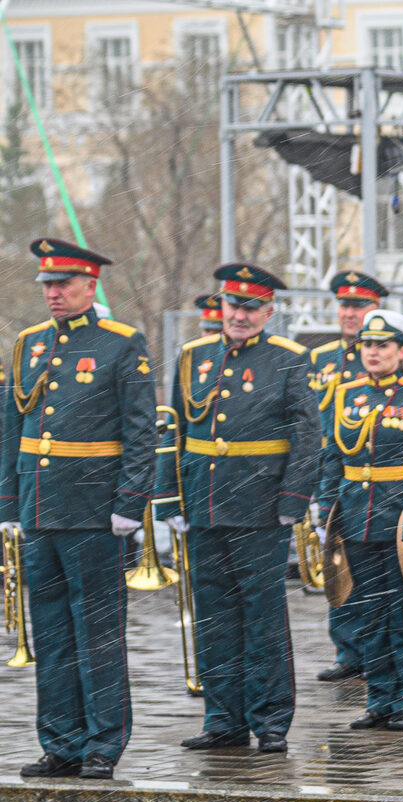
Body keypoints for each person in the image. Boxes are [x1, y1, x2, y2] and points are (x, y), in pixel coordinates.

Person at [4, 239, 155, 779]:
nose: (53, 294)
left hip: (95, 513)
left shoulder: (121, 344)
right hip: (39, 509)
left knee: (97, 634)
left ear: (90, 286)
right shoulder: (28, 345)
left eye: (63, 284)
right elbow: (12, 432)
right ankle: (61, 741)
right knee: (49, 631)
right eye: (47, 284)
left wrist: (130, 503)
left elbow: (141, 434)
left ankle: (102, 744)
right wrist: (8, 503)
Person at [159, 262, 318, 755]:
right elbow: (174, 431)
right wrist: (170, 497)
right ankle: (222, 719)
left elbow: (307, 434)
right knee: (214, 617)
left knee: (263, 619)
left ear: (268, 312)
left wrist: (294, 498)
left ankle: (271, 720)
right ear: (221, 306)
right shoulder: (192, 356)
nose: (240, 316)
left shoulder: (289, 358)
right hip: (204, 503)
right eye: (233, 306)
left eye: (251, 308)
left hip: (260, 507)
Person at [323, 310, 403, 731]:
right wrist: (323, 504)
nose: (374, 352)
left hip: (398, 515)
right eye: (367, 345)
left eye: (383, 345)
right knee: (367, 611)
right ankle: (378, 698)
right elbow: (334, 454)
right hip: (356, 515)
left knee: (402, 610)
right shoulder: (346, 393)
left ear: (402, 351)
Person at [310, 270, 389, 683]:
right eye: (345, 305)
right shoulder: (320, 360)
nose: (350, 313)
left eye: (360, 306)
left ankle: (378, 655)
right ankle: (347, 651)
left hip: (374, 475)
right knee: (337, 567)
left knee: (378, 575)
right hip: (333, 471)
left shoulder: (392, 362)